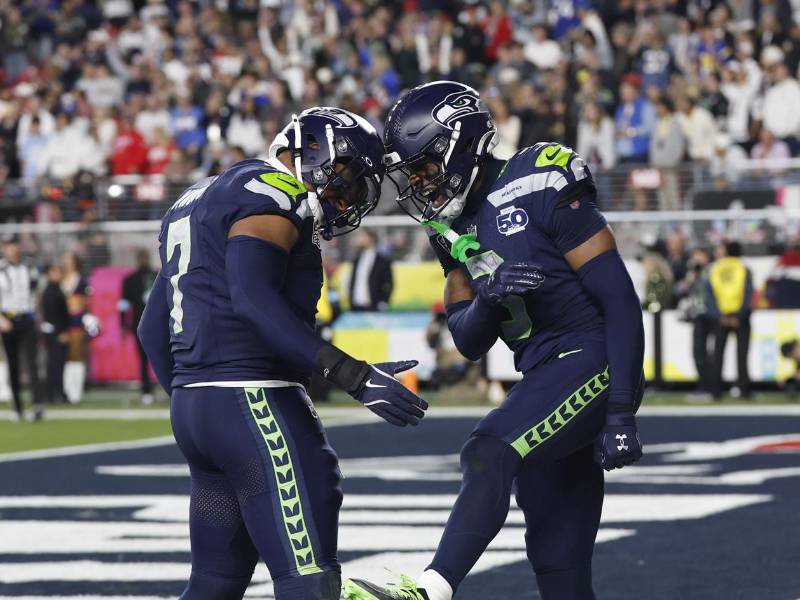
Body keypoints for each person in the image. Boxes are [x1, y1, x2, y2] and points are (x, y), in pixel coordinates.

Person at [345, 81, 644, 600]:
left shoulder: (539, 180)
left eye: (425, 166)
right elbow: (467, 341)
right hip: (544, 374)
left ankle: (431, 590)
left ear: (461, 145)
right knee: (558, 562)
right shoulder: (448, 227)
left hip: (592, 357)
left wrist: (621, 410)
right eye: (411, 173)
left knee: (488, 450)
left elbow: (619, 299)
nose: (419, 183)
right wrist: (486, 301)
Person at [137, 107, 428, 600]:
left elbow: (151, 330)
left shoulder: (198, 197)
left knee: (212, 586)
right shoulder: (275, 194)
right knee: (309, 584)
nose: (349, 197)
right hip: (256, 404)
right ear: (315, 150)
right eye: (350, 178)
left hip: (197, 409)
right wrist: (353, 376)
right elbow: (252, 301)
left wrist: (200, 397)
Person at [0, 237, 44, 421]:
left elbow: (37, 292)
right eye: (9, 247)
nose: (13, 250)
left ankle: (37, 405)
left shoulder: (30, 268)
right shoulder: (1, 270)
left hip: (27, 318)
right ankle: (17, 407)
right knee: (13, 365)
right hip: (8, 320)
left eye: (15, 246)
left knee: (32, 363)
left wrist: (39, 316)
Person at [707, 240, 753, 400]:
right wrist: (739, 316)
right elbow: (748, 294)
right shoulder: (743, 268)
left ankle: (715, 391)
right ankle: (744, 390)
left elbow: (709, 295)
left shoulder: (714, 268)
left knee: (718, 355)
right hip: (740, 318)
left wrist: (719, 316)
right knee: (742, 355)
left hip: (721, 317)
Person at [120, 249, 158, 404]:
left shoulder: (156, 277)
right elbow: (123, 305)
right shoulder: (130, 280)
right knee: (143, 359)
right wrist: (123, 324)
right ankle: (146, 390)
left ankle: (167, 388)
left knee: (161, 357)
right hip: (139, 325)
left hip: (156, 324)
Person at [61, 251, 90, 404]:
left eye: (70, 260)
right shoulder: (61, 279)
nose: (67, 263)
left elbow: (86, 301)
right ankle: (65, 389)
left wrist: (77, 303)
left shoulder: (81, 280)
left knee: (77, 355)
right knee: (64, 356)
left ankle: (76, 391)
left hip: (77, 322)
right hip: (63, 321)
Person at [41, 263, 70, 404]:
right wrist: (60, 332)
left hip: (57, 331)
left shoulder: (56, 289)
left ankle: (56, 392)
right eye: (55, 272)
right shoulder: (51, 292)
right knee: (55, 364)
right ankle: (55, 393)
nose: (59, 275)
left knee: (57, 363)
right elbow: (53, 315)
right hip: (56, 333)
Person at [348, 229, 393, 312]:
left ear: (371, 238)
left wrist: (383, 302)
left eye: (362, 236)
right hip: (355, 306)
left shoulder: (382, 260)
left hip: (373, 306)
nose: (359, 239)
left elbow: (388, 283)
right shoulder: (357, 259)